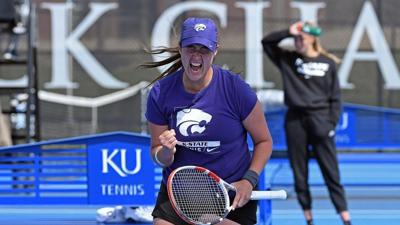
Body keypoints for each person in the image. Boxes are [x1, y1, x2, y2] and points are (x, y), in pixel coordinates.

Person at [142, 17, 273, 225]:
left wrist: (249, 180)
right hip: (180, 194)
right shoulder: (160, 93)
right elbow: (157, 154)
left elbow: (264, 141)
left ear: (215, 51)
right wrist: (166, 151)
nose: (196, 55)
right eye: (190, 48)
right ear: (180, 48)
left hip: (232, 194)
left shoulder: (236, 89)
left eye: (203, 49)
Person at [262, 21, 351, 225]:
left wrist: (331, 124)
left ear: (312, 39)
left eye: (302, 38)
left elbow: (335, 98)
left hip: (321, 121)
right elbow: (266, 42)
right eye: (296, 38)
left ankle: (345, 217)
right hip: (295, 121)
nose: (298, 41)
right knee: (299, 172)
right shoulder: (289, 59)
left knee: (331, 173)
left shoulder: (327, 63)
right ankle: (308, 217)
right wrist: (288, 31)